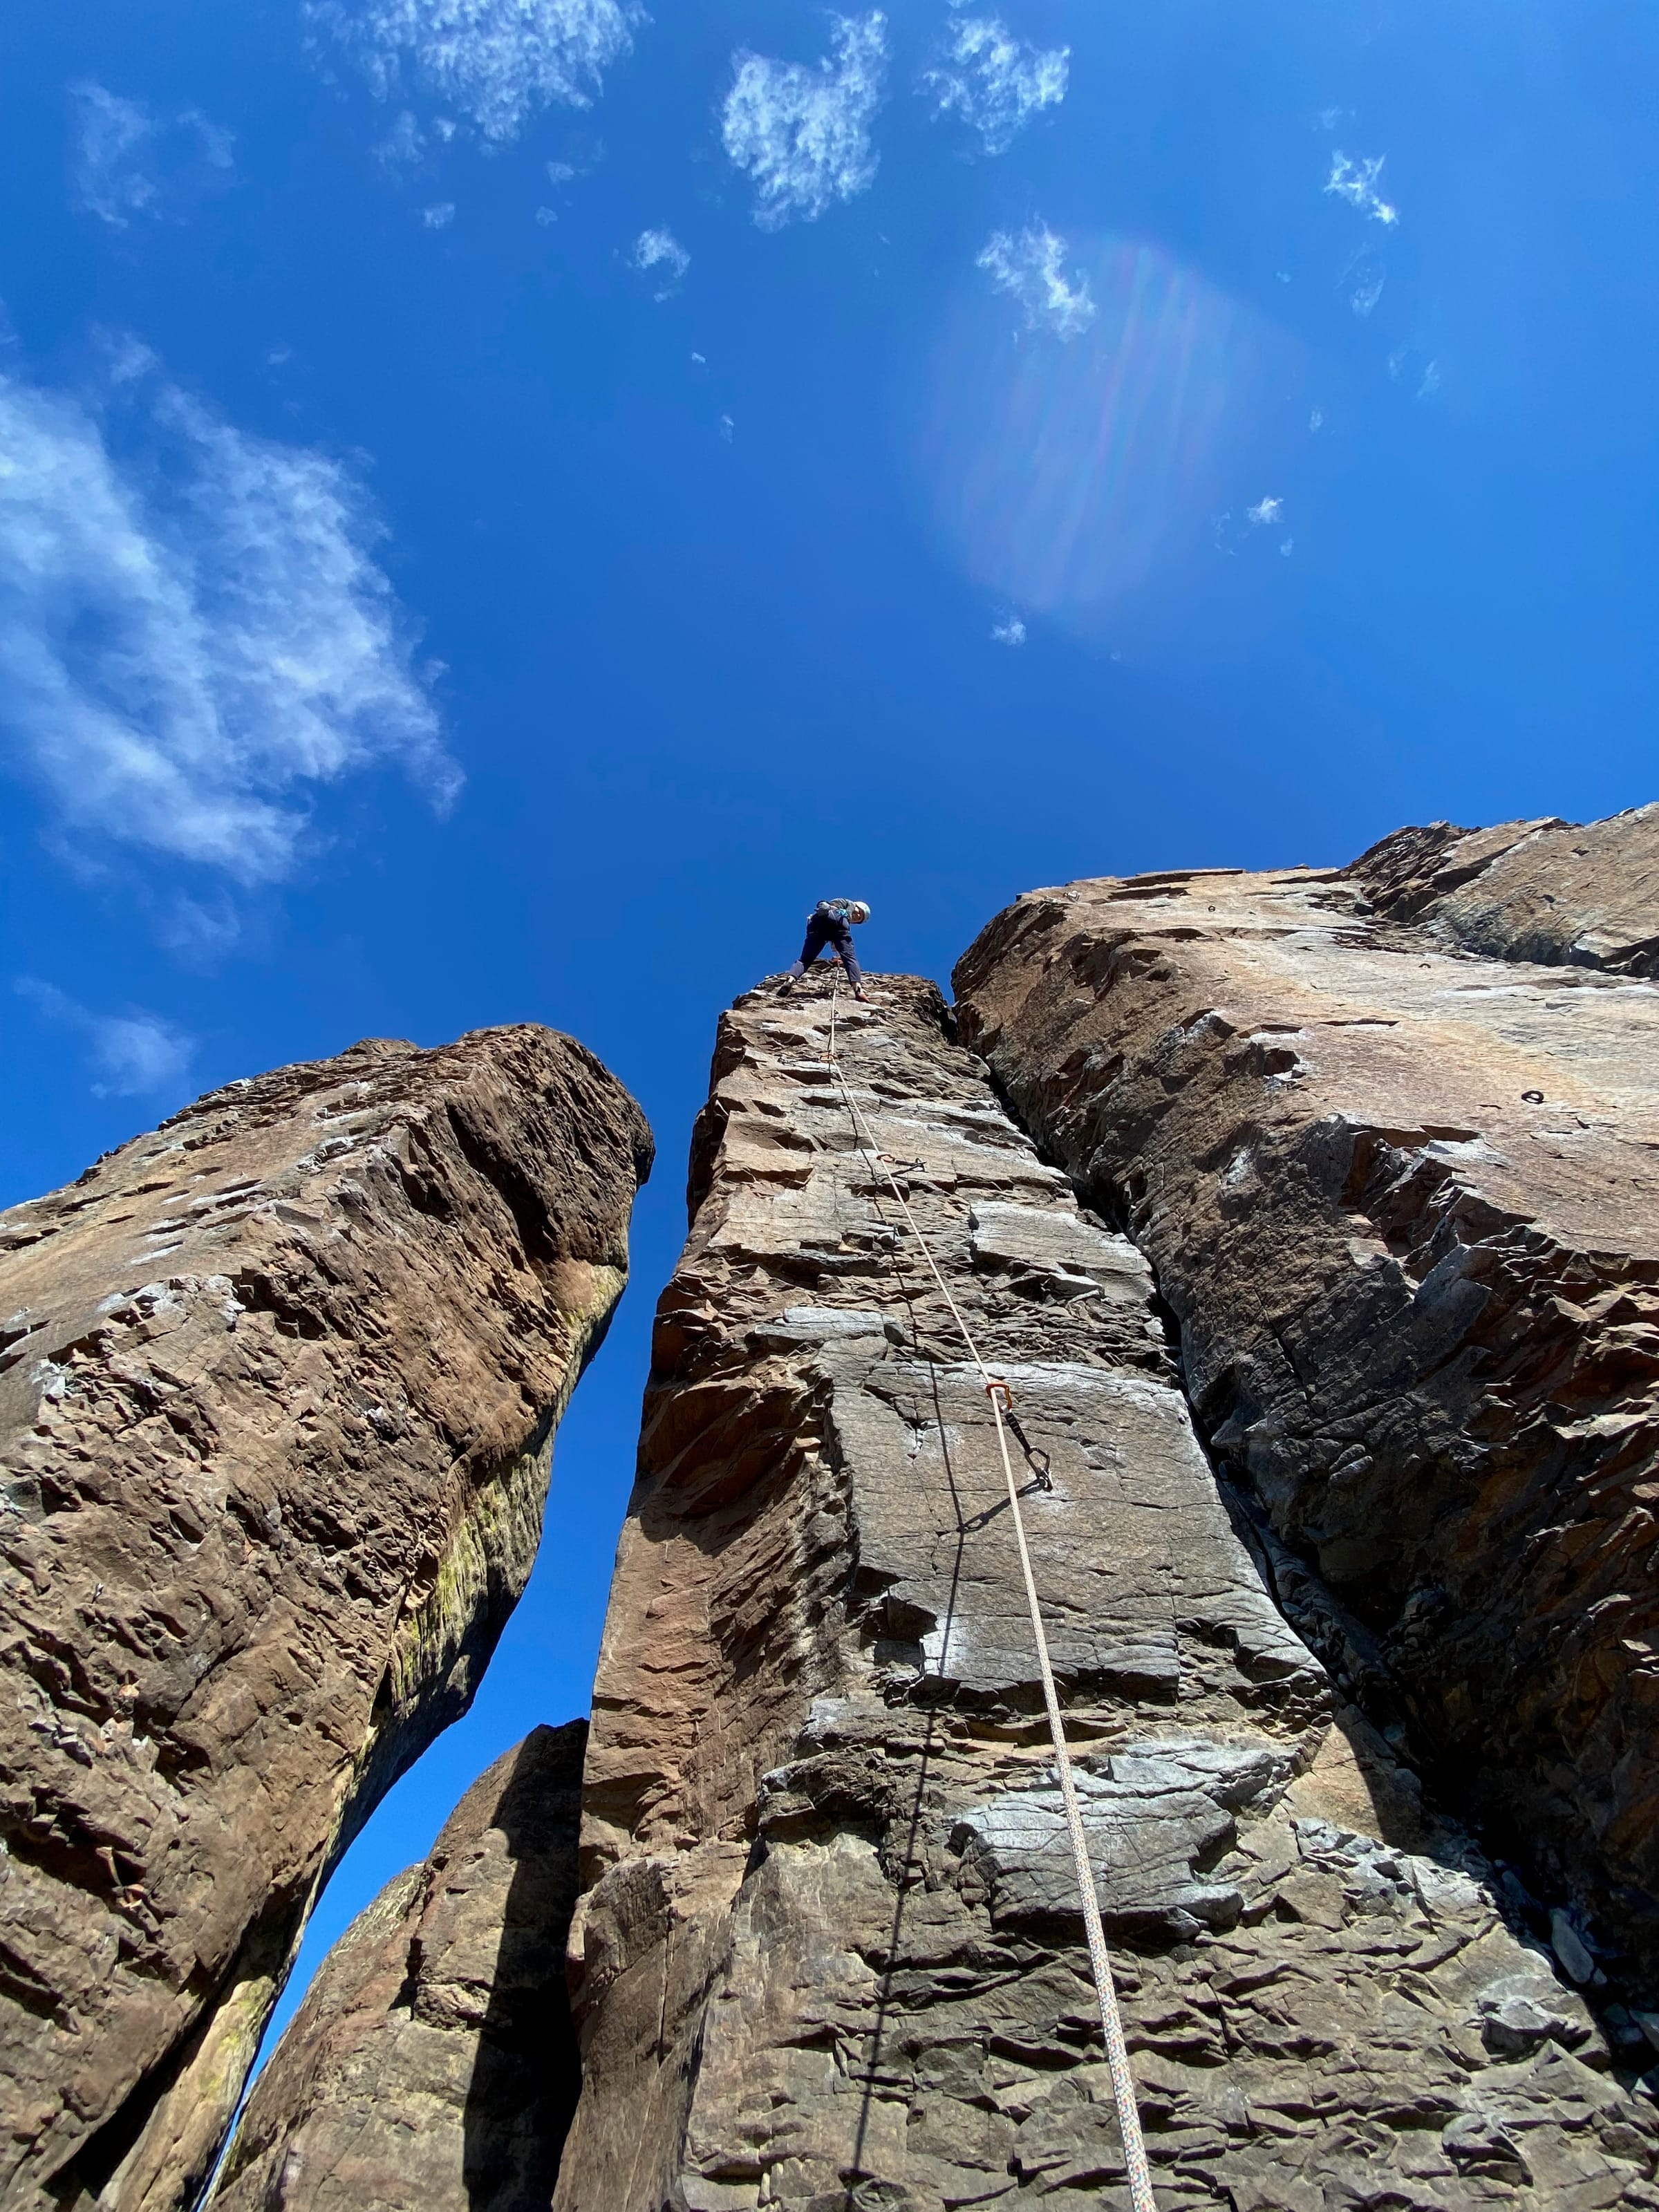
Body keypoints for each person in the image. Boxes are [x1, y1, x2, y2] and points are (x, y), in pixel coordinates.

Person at [780, 898, 872, 1000]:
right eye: (860, 913)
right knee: (850, 958)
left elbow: (832, 928)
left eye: (859, 919)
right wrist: (847, 918)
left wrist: (835, 942)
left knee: (805, 960)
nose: (857, 917)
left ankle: (789, 981)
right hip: (836, 918)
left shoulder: (832, 905)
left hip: (816, 925)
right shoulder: (848, 904)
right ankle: (858, 990)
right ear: (857, 906)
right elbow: (849, 910)